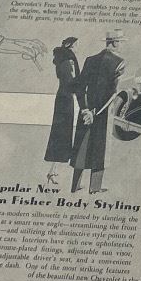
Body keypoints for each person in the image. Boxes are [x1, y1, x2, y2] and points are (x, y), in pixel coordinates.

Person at [71, 32, 126, 195]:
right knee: (100, 149)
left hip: (86, 110)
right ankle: (94, 188)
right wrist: (95, 113)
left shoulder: (90, 59)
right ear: (114, 43)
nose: (121, 45)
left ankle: (75, 186)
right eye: (120, 42)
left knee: (82, 147)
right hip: (102, 112)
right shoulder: (119, 62)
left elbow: (79, 87)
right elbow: (112, 93)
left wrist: (85, 109)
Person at [45, 36, 81, 189]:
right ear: (70, 46)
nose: (78, 47)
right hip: (65, 99)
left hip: (63, 98)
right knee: (63, 134)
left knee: (62, 134)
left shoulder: (62, 59)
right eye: (76, 45)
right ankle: (52, 171)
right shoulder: (68, 61)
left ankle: (53, 170)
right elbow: (70, 82)